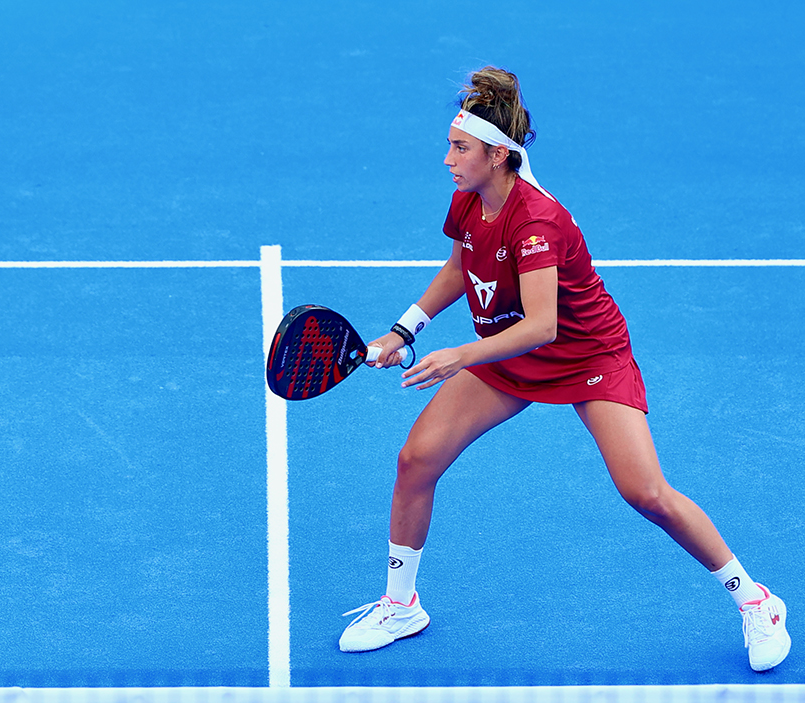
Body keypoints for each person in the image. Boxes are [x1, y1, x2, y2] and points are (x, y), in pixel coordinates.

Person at [338, 67, 789, 672]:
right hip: (511, 351)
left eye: (460, 147)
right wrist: (405, 330)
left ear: (498, 155)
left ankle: (756, 601)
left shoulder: (536, 222)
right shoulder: (468, 199)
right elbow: (461, 266)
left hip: (588, 356)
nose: (447, 159)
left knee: (645, 492)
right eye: (449, 144)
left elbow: (544, 327)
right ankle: (400, 605)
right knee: (416, 460)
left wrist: (458, 355)